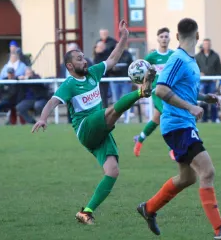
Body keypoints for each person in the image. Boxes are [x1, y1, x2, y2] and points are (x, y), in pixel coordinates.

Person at [32, 20, 156, 225]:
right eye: (80, 59)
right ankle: (142, 91)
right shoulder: (69, 84)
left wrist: (124, 36)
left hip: (100, 131)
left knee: (113, 171)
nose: (85, 61)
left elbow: (113, 57)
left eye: (84, 57)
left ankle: (86, 211)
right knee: (110, 112)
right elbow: (53, 101)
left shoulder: (93, 73)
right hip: (85, 128)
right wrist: (44, 118)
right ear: (70, 66)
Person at [137, 18, 221, 240]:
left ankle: (149, 208)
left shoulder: (189, 60)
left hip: (183, 124)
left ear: (176, 36)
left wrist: (204, 98)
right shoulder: (178, 59)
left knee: (187, 179)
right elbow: (162, 91)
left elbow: (182, 90)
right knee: (208, 171)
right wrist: (191, 107)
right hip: (177, 125)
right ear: (197, 36)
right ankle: (219, 230)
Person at [133, 27, 175, 158]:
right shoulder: (151, 57)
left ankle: (139, 139)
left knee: (156, 119)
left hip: (169, 91)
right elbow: (141, 72)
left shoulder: (173, 55)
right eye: (161, 36)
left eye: (166, 36)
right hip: (156, 91)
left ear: (169, 39)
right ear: (158, 39)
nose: (164, 39)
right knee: (167, 114)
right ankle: (172, 148)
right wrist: (142, 85)